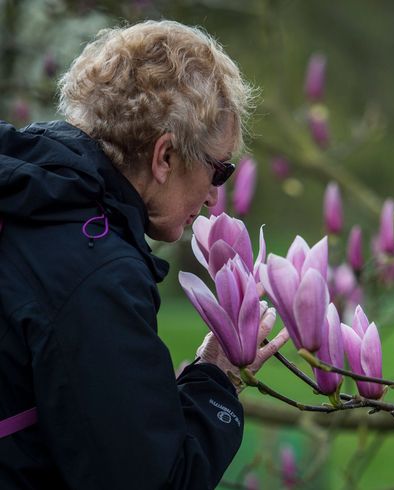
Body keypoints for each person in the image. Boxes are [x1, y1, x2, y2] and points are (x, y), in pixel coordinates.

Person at [0, 20, 287, 489]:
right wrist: (219, 379)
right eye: (219, 170)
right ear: (165, 157)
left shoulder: (26, 201)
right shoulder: (96, 274)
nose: (217, 198)